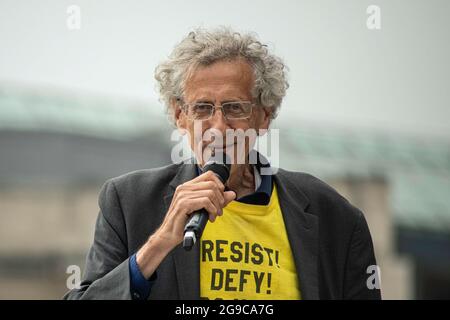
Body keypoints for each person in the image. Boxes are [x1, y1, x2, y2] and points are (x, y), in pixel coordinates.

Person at [64, 27, 381, 300]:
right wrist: (158, 245)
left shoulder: (334, 216)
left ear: (263, 115)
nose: (217, 127)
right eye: (202, 108)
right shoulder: (129, 201)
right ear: (180, 116)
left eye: (234, 108)